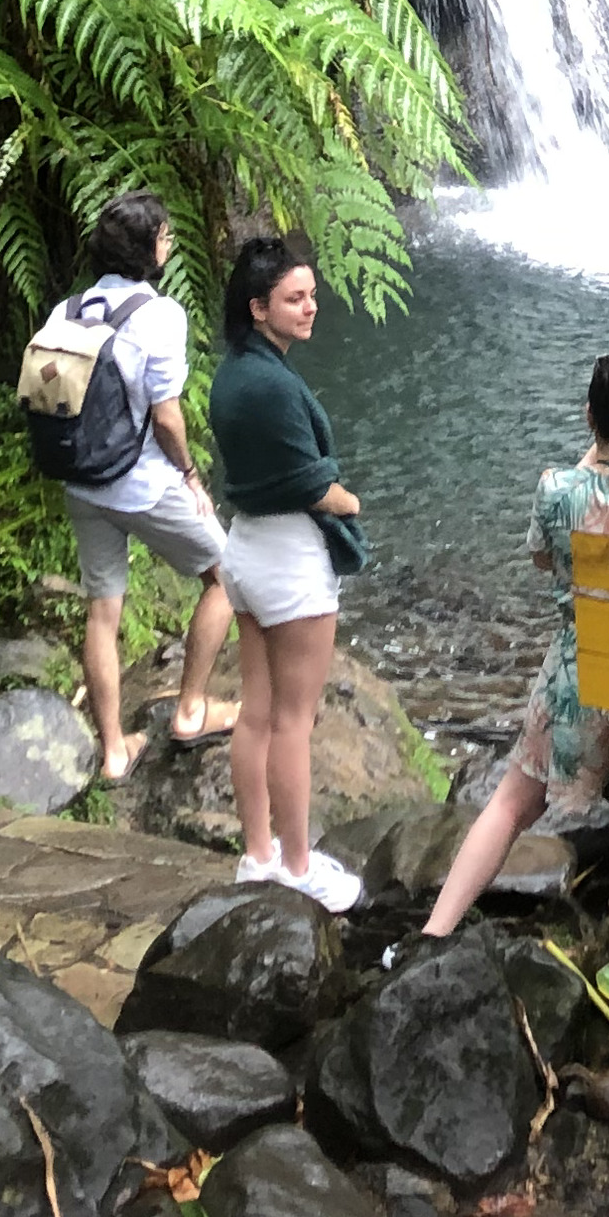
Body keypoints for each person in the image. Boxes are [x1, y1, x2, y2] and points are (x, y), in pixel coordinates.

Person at [420, 353, 609, 940]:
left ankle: (434, 931)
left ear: (588, 416)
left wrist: (596, 454)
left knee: (510, 806)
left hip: (574, 676)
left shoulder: (557, 491)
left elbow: (540, 557)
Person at [52, 190, 236, 784]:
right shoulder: (160, 316)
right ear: (150, 248)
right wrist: (189, 474)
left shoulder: (68, 309)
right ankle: (191, 711)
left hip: (82, 481)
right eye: (166, 235)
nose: (170, 243)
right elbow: (166, 417)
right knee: (227, 576)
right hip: (141, 484)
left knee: (102, 612)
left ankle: (113, 752)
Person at [208, 229, 366, 910]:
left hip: (244, 551)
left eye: (311, 297)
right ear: (257, 307)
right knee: (294, 721)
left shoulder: (234, 370)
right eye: (294, 299)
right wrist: (351, 500)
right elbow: (311, 484)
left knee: (257, 713)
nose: (310, 309)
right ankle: (299, 867)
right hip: (288, 563)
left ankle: (258, 856)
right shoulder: (271, 387)